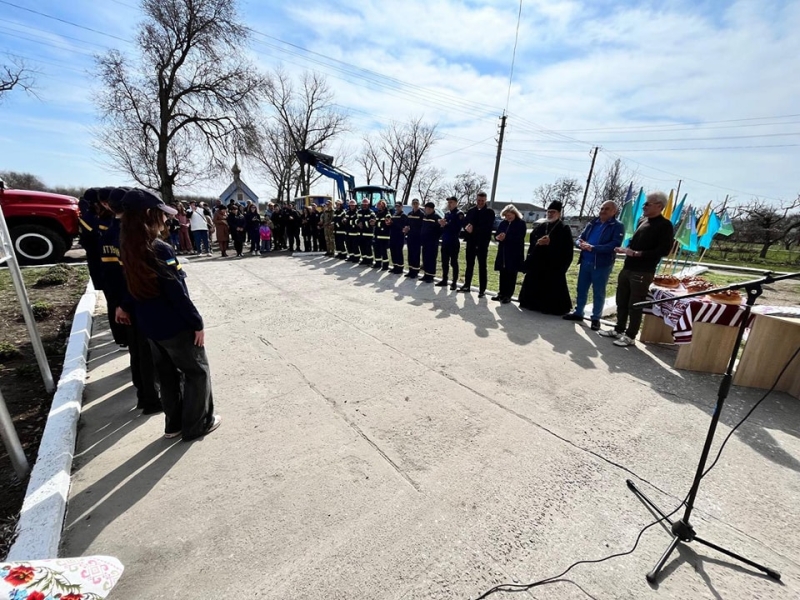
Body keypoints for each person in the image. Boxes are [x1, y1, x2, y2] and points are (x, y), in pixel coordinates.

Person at [118, 188, 220, 441]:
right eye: (161, 214)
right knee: (196, 372)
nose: (166, 219)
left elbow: (130, 285)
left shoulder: (129, 246)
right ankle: (197, 424)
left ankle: (173, 425)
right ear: (149, 215)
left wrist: (125, 305)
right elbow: (176, 291)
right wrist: (197, 322)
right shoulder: (158, 248)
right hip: (175, 325)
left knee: (168, 376)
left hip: (151, 326)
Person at [100, 187, 161, 414]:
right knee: (146, 353)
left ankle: (145, 394)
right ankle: (151, 397)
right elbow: (120, 275)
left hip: (127, 301)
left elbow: (109, 276)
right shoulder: (125, 233)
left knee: (138, 351)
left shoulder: (112, 231)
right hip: (136, 300)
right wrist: (123, 304)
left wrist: (117, 303)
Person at [599, 192, 674, 347]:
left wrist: (639, 254)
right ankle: (619, 329)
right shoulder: (642, 220)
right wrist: (626, 249)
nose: (644, 206)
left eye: (647, 204)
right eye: (644, 204)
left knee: (635, 304)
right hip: (628, 267)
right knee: (622, 299)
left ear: (659, 206)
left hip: (643, 271)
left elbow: (664, 250)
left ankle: (630, 335)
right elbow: (636, 243)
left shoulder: (664, 225)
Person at [563, 201, 625, 331]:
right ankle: (578, 313)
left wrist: (593, 248)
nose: (603, 211)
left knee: (598, 291)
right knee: (581, 289)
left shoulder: (617, 226)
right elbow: (580, 237)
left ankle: (595, 318)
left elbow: (614, 244)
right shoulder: (593, 223)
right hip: (586, 261)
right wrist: (580, 244)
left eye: (606, 209)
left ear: (614, 211)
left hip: (602, 264)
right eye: (602, 208)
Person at [517, 200, 574, 314]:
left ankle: (547, 308)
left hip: (553, 264)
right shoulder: (542, 226)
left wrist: (550, 244)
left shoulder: (564, 229)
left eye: (553, 212)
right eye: (548, 212)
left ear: (559, 213)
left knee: (552, 289)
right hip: (538, 263)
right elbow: (533, 240)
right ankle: (532, 304)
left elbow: (566, 249)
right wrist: (538, 243)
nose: (550, 214)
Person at [459, 191, 495, 297]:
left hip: (482, 243)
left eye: (482, 201)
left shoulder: (489, 212)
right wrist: (467, 228)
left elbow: (487, 227)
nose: (480, 202)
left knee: (482, 266)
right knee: (469, 265)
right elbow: (465, 222)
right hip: (471, 241)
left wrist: (473, 230)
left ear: (485, 200)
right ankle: (467, 285)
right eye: (478, 200)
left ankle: (482, 289)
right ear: (476, 199)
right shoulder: (471, 211)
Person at [493, 204, 527, 303]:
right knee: (502, 274)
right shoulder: (503, 223)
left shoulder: (521, 223)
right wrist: (498, 237)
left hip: (514, 253)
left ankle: (508, 295)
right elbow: (496, 234)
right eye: (506, 215)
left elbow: (520, 237)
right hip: (503, 252)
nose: (508, 217)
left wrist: (506, 237)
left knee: (511, 275)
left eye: (510, 215)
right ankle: (501, 293)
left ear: (515, 213)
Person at [436, 196, 465, 290]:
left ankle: (454, 282)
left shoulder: (459, 213)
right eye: (448, 202)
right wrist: (441, 225)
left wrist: (446, 224)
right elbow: (443, 228)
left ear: (456, 203)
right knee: (444, 262)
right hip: (445, 241)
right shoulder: (447, 214)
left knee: (453, 262)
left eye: (451, 202)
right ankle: (444, 280)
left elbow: (457, 228)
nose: (449, 204)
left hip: (453, 241)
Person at [419, 201, 442, 283]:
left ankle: (431, 276)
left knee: (431, 258)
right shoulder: (425, 216)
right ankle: (426, 274)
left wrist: (435, 237)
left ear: (432, 209)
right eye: (426, 208)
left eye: (429, 209)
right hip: (425, 241)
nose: (427, 210)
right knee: (425, 258)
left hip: (432, 242)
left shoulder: (436, 217)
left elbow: (440, 230)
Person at [403, 198, 424, 278]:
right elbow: (407, 224)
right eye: (414, 203)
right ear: (412, 204)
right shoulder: (409, 214)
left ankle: (415, 271)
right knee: (410, 254)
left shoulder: (421, 214)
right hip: (410, 237)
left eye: (416, 203)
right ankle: (411, 270)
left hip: (417, 237)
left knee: (416, 254)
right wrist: (406, 229)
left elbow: (422, 226)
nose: (415, 205)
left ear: (419, 204)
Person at [388, 201, 408, 274]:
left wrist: (394, 223)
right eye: (396, 206)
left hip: (399, 236)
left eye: (399, 206)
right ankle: (395, 266)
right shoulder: (394, 214)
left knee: (398, 252)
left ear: (402, 207)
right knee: (393, 251)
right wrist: (389, 223)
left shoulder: (403, 215)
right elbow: (391, 225)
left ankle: (400, 268)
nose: (397, 208)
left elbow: (402, 226)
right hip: (393, 235)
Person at [372, 200, 391, 270]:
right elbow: (377, 223)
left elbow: (387, 224)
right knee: (376, 250)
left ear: (383, 205)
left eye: (379, 205)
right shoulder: (378, 213)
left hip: (384, 236)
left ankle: (385, 265)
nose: (378, 206)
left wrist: (377, 224)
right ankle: (378, 263)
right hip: (377, 235)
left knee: (383, 251)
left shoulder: (387, 214)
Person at [356, 198, 375, 265]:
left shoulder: (371, 212)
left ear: (368, 205)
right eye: (363, 205)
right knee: (362, 247)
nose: (364, 206)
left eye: (366, 205)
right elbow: (356, 219)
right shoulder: (359, 212)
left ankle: (370, 261)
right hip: (360, 233)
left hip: (368, 234)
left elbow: (371, 222)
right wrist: (358, 223)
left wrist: (362, 224)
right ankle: (364, 259)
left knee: (368, 248)